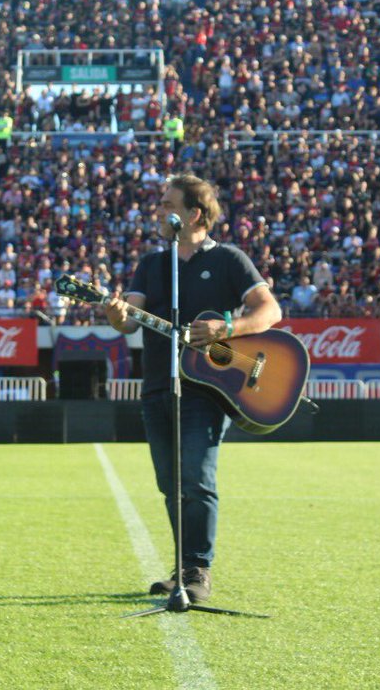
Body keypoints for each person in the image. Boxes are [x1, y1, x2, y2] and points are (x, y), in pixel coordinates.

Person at [104, 174, 282, 602]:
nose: (159, 210)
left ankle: (199, 570)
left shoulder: (229, 259)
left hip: (208, 389)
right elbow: (130, 319)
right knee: (171, 482)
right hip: (157, 387)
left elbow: (269, 310)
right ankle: (182, 569)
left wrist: (229, 327)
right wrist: (114, 314)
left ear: (193, 214)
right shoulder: (151, 263)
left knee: (196, 478)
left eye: (168, 203)